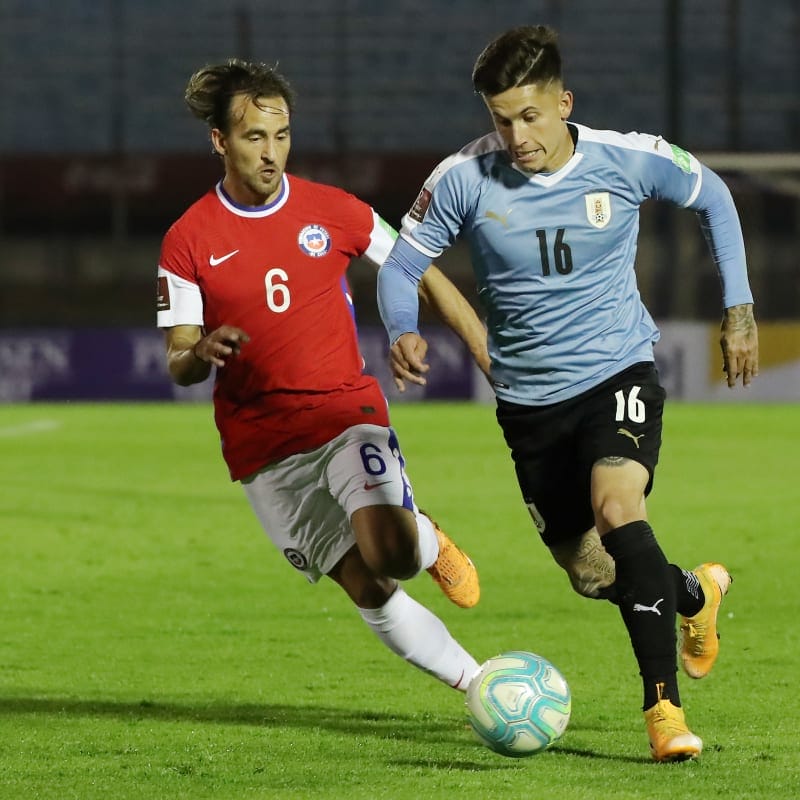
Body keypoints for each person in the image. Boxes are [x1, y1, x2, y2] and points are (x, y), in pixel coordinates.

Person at [377, 25, 758, 761]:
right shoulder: (462, 177)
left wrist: (738, 306)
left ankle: (663, 712)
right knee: (591, 572)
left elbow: (712, 194)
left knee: (621, 511)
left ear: (563, 103)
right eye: (500, 119)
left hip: (619, 374)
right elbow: (401, 263)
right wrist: (402, 328)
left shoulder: (625, 158)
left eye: (530, 116)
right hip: (529, 407)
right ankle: (692, 594)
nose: (516, 135)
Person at [156, 58, 492, 697]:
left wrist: (481, 348)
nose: (272, 152)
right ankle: (480, 686)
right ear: (220, 141)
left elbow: (419, 267)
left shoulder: (332, 210)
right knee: (365, 583)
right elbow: (177, 362)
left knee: (391, 554)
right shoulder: (188, 240)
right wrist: (200, 350)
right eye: (255, 137)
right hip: (262, 446)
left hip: (344, 416)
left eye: (282, 136)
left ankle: (424, 539)